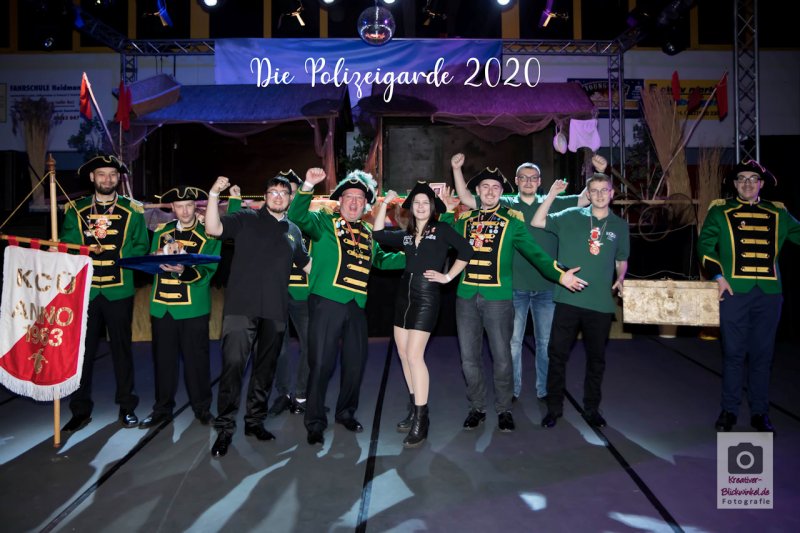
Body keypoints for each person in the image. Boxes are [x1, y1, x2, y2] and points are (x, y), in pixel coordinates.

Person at [445, 167, 586, 433]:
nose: (490, 192)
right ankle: (477, 407)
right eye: (485, 187)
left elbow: (536, 254)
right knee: (468, 359)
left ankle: (504, 409)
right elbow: (444, 238)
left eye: (495, 188)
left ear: (502, 192)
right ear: (478, 192)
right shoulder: (464, 221)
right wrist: (446, 210)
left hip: (498, 299)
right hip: (466, 298)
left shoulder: (512, 222)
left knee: (502, 357)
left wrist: (559, 274)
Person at [288, 168, 405, 446]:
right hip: (326, 302)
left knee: (355, 364)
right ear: (339, 201)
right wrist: (308, 185)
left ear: (365, 205)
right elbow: (296, 217)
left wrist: (414, 256)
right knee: (321, 364)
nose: (354, 202)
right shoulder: (324, 222)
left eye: (359, 198)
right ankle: (315, 421)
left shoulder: (368, 232)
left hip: (356, 306)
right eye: (349, 197)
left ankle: (346, 413)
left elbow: (381, 261)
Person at [204, 174, 310, 457]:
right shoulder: (245, 218)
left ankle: (254, 422)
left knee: (265, 371)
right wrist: (214, 195)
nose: (278, 197)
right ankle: (225, 429)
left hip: (275, 311)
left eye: (283, 193)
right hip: (241, 309)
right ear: (265, 196)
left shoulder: (293, 231)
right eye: (273, 192)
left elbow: (308, 265)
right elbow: (213, 228)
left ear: (290, 199)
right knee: (233, 368)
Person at [698, 160, 800, 433]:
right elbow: (705, 245)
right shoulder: (720, 211)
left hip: (769, 295)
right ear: (735, 184)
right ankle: (729, 410)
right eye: (741, 178)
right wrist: (718, 276)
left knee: (762, 356)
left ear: (761, 184)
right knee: (733, 354)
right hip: (734, 292)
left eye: (752, 179)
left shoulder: (778, 213)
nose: (747, 183)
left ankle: (760, 412)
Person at [373, 181, 474, 448]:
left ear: (432, 207)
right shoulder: (406, 235)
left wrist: (448, 276)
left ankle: (421, 418)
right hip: (403, 296)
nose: (420, 206)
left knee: (415, 356)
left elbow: (467, 250)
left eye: (425, 203)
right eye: (416, 202)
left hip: (427, 297)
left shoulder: (442, 230)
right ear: (410, 207)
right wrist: (385, 203)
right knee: (403, 354)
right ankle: (414, 406)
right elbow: (378, 234)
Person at [60, 154, 149, 432]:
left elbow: (141, 245)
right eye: (102, 174)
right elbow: (68, 244)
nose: (107, 179)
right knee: (82, 353)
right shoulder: (75, 209)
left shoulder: (133, 210)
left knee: (122, 351)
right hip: (85, 292)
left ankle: (127, 406)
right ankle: (80, 409)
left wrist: (119, 254)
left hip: (118, 289)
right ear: (92, 177)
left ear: (118, 178)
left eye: (112, 174)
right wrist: (82, 249)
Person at [532, 173, 629, 429]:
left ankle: (591, 409)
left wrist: (621, 277)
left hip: (600, 303)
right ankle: (554, 408)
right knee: (557, 355)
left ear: (612, 193)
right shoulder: (571, 216)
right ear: (588, 194)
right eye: (594, 190)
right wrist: (552, 195)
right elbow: (537, 220)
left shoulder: (619, 225)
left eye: (604, 190)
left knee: (596, 359)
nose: (599, 195)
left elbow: (621, 259)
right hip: (568, 299)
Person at [139, 186, 220, 429]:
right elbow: (152, 263)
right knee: (163, 363)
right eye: (179, 206)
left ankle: (202, 409)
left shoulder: (209, 233)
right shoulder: (161, 231)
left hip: (192, 308)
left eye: (189, 205)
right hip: (162, 307)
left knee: (197, 363)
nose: (184, 211)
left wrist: (184, 271)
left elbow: (209, 270)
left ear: (196, 206)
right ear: (172, 208)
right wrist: (154, 259)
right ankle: (162, 409)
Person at [267, 170, 313, 417]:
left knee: (310, 345)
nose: (289, 198)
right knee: (278, 346)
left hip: (303, 293)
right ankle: (283, 393)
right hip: (276, 293)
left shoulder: (310, 220)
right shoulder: (268, 221)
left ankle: (302, 394)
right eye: (286, 193)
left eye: (293, 193)